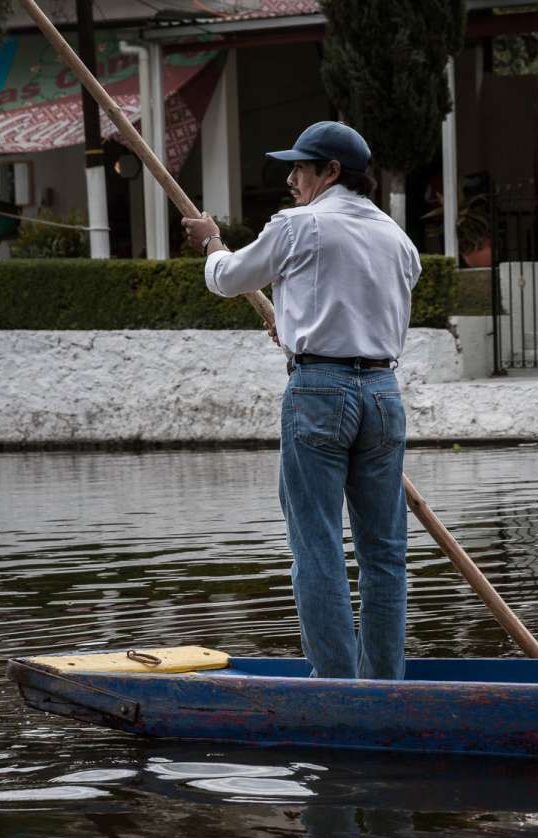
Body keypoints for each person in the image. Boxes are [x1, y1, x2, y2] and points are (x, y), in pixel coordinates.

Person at [182, 121, 421, 680]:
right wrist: (294, 325)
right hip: (383, 395)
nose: (291, 178)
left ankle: (336, 687)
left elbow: (229, 278)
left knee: (317, 546)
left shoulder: (298, 226)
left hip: (319, 392)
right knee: (384, 553)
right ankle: (384, 684)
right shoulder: (398, 240)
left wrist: (211, 242)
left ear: (332, 172)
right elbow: (369, 309)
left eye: (301, 167)